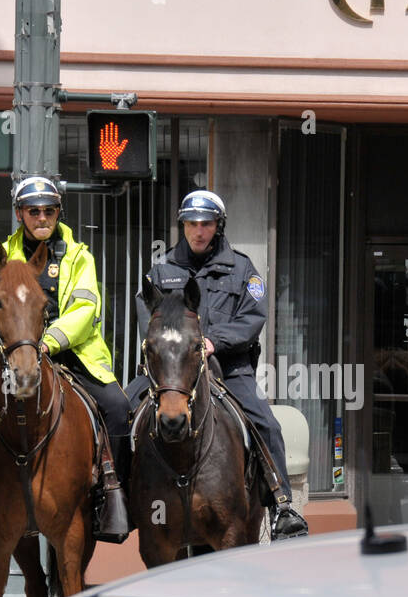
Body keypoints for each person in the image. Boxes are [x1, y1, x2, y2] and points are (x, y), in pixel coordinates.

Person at [131, 190, 309, 539]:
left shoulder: (243, 269)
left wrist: (214, 342)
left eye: (206, 224)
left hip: (228, 369)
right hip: (172, 370)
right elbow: (146, 316)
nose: (199, 231)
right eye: (192, 224)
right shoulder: (162, 269)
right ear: (183, 226)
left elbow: (252, 318)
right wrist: (175, 348)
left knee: (268, 425)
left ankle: (282, 506)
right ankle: (116, 500)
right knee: (123, 412)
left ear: (218, 226)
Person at [0, 176, 131, 531]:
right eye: (33, 211)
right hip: (8, 358)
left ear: (58, 213)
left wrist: (48, 342)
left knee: (117, 408)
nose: (42, 218)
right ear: (19, 214)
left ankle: (113, 491)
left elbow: (85, 309)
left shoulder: (79, 256)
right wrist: (11, 344)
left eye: (49, 211)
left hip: (71, 355)